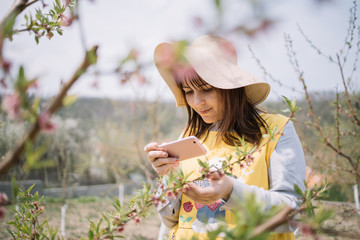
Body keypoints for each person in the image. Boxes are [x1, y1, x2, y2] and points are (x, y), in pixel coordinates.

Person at [144, 35, 306, 240]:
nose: (196, 102)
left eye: (206, 89)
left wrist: (231, 191)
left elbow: (293, 214)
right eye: (188, 91)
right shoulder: (189, 136)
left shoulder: (276, 130)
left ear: (231, 87)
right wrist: (169, 177)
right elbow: (170, 220)